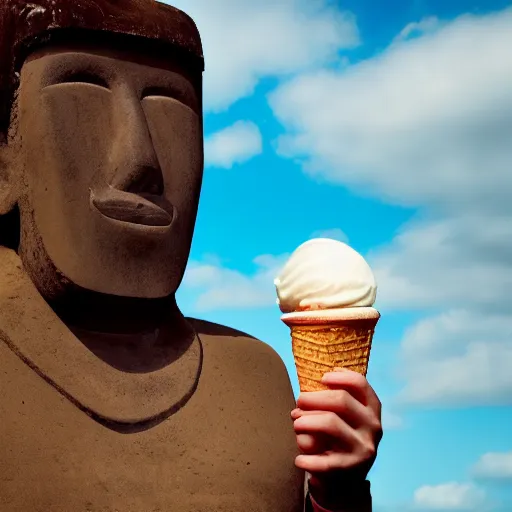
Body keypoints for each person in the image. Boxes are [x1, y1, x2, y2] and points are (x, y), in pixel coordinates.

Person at [0, 1, 382, 511]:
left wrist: (339, 491)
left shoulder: (256, 381)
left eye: (168, 105)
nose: (139, 161)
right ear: (5, 159)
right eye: (82, 92)